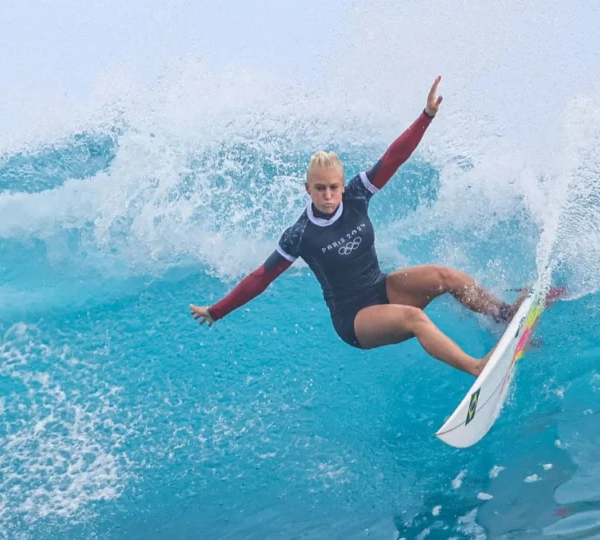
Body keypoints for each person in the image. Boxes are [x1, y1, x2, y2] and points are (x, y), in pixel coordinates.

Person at [190, 76, 525, 377]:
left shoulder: (357, 196)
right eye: (319, 188)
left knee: (444, 276)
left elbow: (394, 157)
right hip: (354, 319)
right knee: (414, 319)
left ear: (341, 185)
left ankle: (503, 314)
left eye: (333, 187)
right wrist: (217, 311)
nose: (328, 195)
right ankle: (476, 368)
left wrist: (427, 116)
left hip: (381, 287)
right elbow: (260, 278)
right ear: (308, 189)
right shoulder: (300, 234)